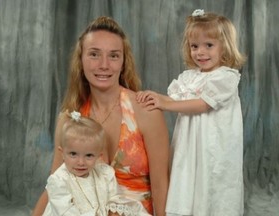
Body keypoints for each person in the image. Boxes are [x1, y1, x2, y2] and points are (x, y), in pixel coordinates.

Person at [32, 16, 170, 216]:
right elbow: (56, 181)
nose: (104, 65)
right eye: (94, 54)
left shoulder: (146, 111)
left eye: (114, 56)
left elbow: (161, 185)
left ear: (123, 62)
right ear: (81, 60)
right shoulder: (71, 117)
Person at [136, 9, 246, 216]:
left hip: (213, 147)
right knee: (187, 178)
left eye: (209, 45)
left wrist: (164, 103)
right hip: (189, 146)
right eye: (194, 46)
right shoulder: (189, 77)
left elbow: (201, 105)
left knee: (212, 183)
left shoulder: (225, 77)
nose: (200, 52)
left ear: (224, 47)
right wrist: (154, 97)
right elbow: (175, 99)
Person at [42, 111, 150, 216]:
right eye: (73, 154)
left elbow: (115, 197)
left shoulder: (104, 174)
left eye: (89, 155)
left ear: (99, 156)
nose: (81, 162)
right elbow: (65, 212)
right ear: (62, 153)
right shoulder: (58, 181)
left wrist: (114, 211)